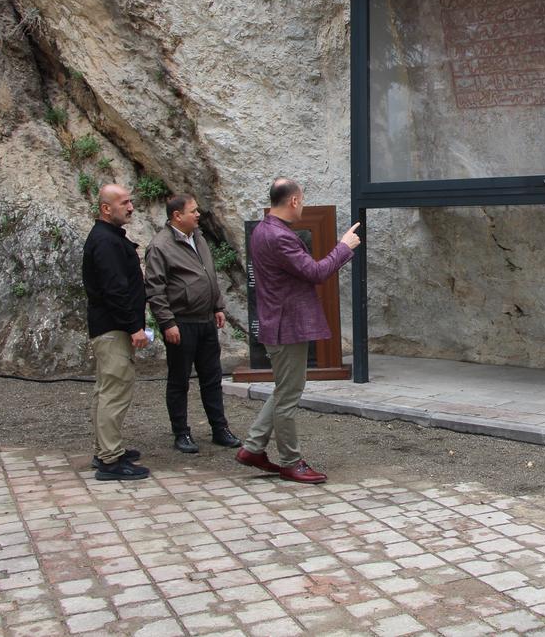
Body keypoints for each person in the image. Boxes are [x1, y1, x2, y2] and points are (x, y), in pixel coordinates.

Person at [236, 177, 360, 483]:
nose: (302, 206)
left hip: (279, 323)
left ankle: (253, 447)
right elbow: (316, 272)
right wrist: (343, 247)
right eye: (302, 201)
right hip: (286, 327)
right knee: (289, 395)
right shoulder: (280, 236)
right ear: (293, 201)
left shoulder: (264, 230)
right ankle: (291, 462)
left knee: (284, 389)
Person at [144, 194, 242, 454]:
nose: (198, 215)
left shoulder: (198, 237)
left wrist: (217, 306)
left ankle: (219, 429)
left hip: (205, 320)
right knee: (179, 381)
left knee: (212, 377)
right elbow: (155, 289)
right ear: (177, 216)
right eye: (193, 211)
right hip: (181, 323)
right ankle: (181, 433)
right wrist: (167, 323)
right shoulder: (160, 246)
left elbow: (209, 274)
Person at [82, 183, 151, 481]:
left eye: (130, 201)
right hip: (113, 329)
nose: (131, 207)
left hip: (110, 327)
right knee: (114, 391)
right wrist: (133, 326)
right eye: (124, 203)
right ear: (105, 208)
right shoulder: (105, 242)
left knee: (106, 390)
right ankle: (110, 460)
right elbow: (114, 290)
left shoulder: (108, 237)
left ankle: (106, 450)